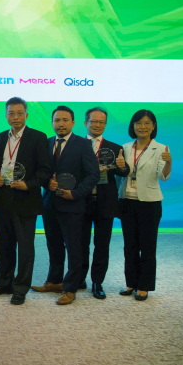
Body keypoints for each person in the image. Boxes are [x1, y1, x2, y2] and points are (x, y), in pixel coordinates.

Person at [0, 97, 51, 305]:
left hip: (25, 197)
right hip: (2, 197)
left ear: (26, 115)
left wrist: (29, 184)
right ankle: (4, 283)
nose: (15, 117)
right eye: (11, 113)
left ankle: (20, 288)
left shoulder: (38, 137)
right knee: (3, 244)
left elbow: (45, 170)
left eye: (19, 113)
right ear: (6, 116)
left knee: (24, 246)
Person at [31, 106, 99, 305]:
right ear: (52, 122)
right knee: (53, 246)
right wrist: (47, 183)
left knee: (74, 248)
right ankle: (54, 281)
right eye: (57, 120)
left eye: (65, 120)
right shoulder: (46, 142)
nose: (60, 124)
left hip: (73, 204)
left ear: (73, 122)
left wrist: (75, 194)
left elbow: (93, 174)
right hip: (49, 203)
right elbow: (41, 171)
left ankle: (70, 288)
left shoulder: (83, 144)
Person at [118, 110, 171, 301]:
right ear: (133, 126)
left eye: (147, 123)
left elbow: (163, 176)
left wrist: (168, 163)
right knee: (129, 245)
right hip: (127, 201)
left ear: (153, 126)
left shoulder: (161, 148)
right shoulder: (125, 147)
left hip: (149, 203)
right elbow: (121, 174)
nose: (143, 127)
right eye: (138, 123)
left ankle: (144, 286)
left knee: (147, 246)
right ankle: (131, 283)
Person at [79, 107, 129, 299]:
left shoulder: (115, 148)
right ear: (86, 123)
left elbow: (123, 172)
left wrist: (123, 167)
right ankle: (79, 278)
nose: (97, 125)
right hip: (81, 202)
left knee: (102, 245)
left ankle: (97, 282)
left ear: (105, 124)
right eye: (94, 121)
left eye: (101, 122)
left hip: (105, 203)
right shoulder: (76, 145)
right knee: (80, 244)